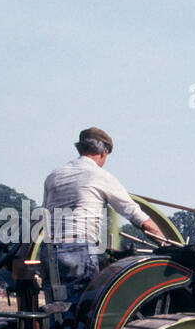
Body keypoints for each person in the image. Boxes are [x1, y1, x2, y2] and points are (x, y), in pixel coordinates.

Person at [43, 127, 167, 302]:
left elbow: (45, 216)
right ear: (103, 153)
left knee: (56, 309)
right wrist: (167, 244)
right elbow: (138, 217)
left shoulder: (54, 176)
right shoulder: (100, 176)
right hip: (79, 250)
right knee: (83, 310)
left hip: (50, 251)